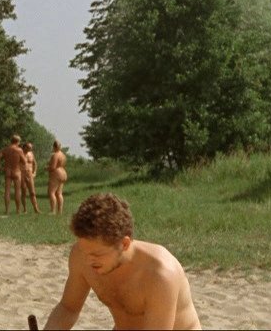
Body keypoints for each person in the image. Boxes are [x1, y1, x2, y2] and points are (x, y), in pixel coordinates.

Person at [44, 193, 201, 330]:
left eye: (97, 254)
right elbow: (68, 308)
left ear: (124, 244)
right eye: (84, 251)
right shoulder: (81, 255)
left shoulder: (159, 274)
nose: (88, 260)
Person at [0, 134, 27, 214]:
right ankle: (18, 210)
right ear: (17, 142)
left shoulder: (5, 149)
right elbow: (24, 161)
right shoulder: (19, 150)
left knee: (7, 191)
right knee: (17, 191)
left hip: (7, 171)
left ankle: (7, 210)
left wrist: (0, 168)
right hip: (16, 171)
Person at [47, 140, 67, 214]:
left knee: (51, 192)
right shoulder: (63, 155)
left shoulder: (55, 155)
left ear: (54, 147)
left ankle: (53, 211)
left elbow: (53, 167)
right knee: (59, 193)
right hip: (63, 173)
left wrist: (47, 168)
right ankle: (60, 211)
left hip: (57, 174)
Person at [20, 142, 41, 213]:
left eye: (31, 147)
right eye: (29, 147)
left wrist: (34, 172)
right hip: (22, 175)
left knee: (32, 192)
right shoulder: (20, 153)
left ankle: (36, 209)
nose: (30, 148)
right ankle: (24, 209)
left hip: (29, 174)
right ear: (25, 147)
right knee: (24, 192)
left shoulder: (31, 153)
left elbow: (35, 163)